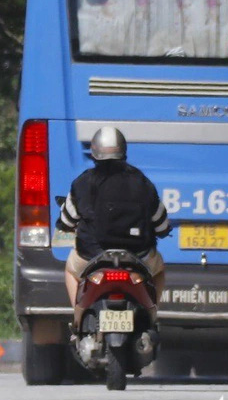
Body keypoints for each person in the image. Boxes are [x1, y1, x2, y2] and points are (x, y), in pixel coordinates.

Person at [56, 125, 170, 304]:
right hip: (137, 256)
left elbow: (67, 220)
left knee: (71, 270)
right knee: (159, 269)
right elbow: (161, 223)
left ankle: (77, 319)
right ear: (123, 150)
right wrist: (163, 231)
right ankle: (152, 312)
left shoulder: (82, 182)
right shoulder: (142, 182)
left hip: (91, 255)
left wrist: (65, 225)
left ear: (94, 151)